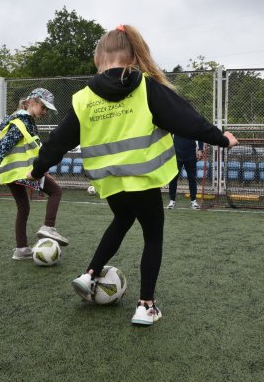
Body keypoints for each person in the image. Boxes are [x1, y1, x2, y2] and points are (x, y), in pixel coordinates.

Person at [27, 24, 238, 326]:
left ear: (99, 57)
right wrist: (223, 139)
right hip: (143, 178)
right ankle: (146, 306)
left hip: (110, 182)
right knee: (153, 236)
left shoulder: (83, 98)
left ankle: (89, 275)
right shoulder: (146, 87)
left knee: (122, 219)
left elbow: (58, 142)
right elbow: (187, 121)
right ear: (133, 55)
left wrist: (37, 169)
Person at [0, 88, 69, 261]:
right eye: (43, 107)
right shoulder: (21, 122)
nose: (45, 112)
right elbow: (5, 143)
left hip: (12, 173)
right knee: (56, 191)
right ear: (32, 102)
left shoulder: (23, 121)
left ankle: (21, 249)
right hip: (23, 172)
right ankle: (48, 227)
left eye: (47, 109)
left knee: (23, 207)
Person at [167, 136, 205, 209]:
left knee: (192, 178)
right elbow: (167, 135)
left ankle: (193, 201)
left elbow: (200, 133)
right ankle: (172, 200)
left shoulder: (194, 124)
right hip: (176, 154)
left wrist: (200, 149)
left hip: (190, 154)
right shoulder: (175, 124)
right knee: (173, 177)